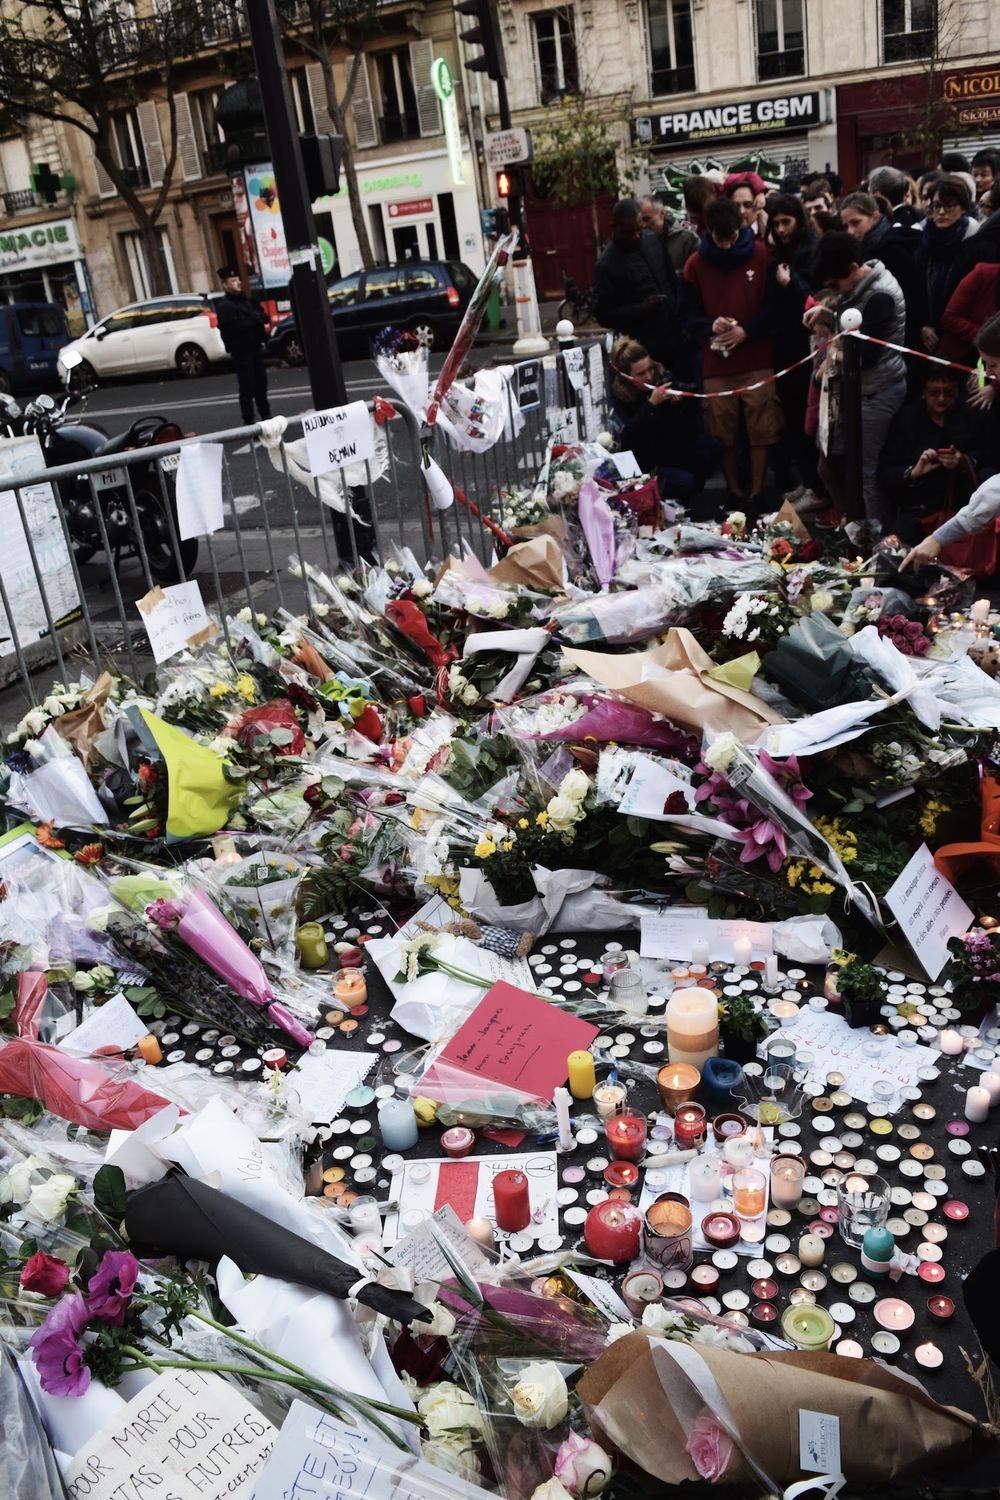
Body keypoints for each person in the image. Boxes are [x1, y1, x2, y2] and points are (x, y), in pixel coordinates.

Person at [682, 195, 783, 508]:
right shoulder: (695, 264)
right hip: (717, 365)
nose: (726, 246)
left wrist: (747, 331)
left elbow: (774, 307)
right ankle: (734, 491)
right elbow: (685, 315)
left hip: (757, 358)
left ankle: (756, 490)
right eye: (719, 239)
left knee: (761, 428)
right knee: (721, 431)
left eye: (731, 238)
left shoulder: (762, 254)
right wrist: (711, 324)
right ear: (708, 231)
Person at [808, 231, 907, 525]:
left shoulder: (881, 296)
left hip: (878, 390)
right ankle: (853, 526)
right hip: (858, 391)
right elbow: (848, 317)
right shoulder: (861, 287)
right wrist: (826, 311)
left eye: (836, 285)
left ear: (853, 268)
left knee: (865, 472)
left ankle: (875, 541)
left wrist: (833, 356)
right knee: (831, 466)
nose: (836, 292)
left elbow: (866, 357)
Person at [763, 192, 821, 504]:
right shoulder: (781, 252)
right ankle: (809, 481)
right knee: (794, 420)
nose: (782, 229)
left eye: (787, 222)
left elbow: (814, 300)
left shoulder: (812, 249)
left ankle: (817, 486)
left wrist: (790, 283)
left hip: (806, 344)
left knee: (808, 419)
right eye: (777, 223)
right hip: (785, 344)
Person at [608, 336, 718, 501]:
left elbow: (686, 431)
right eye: (641, 374)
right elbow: (629, 440)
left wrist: (679, 406)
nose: (649, 376)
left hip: (666, 451)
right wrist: (651, 405)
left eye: (650, 369)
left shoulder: (661, 379)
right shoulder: (621, 399)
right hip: (643, 466)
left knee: (711, 449)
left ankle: (686, 493)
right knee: (684, 481)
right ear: (626, 377)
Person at [877, 367, 978, 542]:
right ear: (924, 391)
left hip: (963, 506)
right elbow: (885, 472)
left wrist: (964, 461)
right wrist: (913, 472)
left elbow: (989, 458)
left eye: (948, 392)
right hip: (919, 507)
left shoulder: (970, 415)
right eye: (935, 392)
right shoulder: (907, 419)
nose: (941, 398)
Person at [593, 198, 681, 368]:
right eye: (628, 233)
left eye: (639, 230)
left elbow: (672, 280)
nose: (635, 237)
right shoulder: (606, 265)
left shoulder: (653, 240)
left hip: (676, 337)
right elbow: (603, 314)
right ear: (615, 227)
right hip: (644, 349)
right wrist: (641, 309)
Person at [839, 190, 920, 347]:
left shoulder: (892, 248)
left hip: (902, 335)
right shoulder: (864, 247)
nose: (850, 231)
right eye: (845, 225)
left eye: (855, 223)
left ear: (874, 217)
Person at [913, 174, 979, 352]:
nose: (941, 212)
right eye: (937, 206)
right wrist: (922, 325)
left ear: (963, 208)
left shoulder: (975, 244)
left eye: (949, 206)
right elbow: (915, 291)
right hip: (929, 337)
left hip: (964, 338)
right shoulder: (922, 242)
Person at [215, 266, 271, 426]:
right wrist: (253, 320)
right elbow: (234, 328)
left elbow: (264, 317)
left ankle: (266, 418)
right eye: (233, 281)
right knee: (247, 388)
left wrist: (255, 319)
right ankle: (249, 423)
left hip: (255, 349)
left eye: (238, 279)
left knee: (261, 385)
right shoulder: (225, 307)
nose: (238, 283)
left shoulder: (246, 301)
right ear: (225, 285)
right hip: (242, 352)